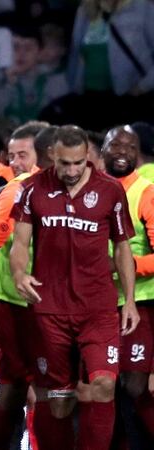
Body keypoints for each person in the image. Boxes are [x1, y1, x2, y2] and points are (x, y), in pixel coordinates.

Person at [10, 125, 139, 450]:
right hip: (49, 308)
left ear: (88, 157)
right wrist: (19, 274)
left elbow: (123, 248)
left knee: (104, 386)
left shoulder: (110, 191)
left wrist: (131, 300)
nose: (71, 170)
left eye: (78, 163)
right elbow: (20, 242)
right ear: (53, 155)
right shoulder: (32, 190)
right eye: (65, 163)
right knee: (57, 401)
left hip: (98, 308)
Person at [0, 121, 48, 449]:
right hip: (14, 305)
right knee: (26, 388)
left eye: (24, 155)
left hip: (46, 304)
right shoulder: (17, 189)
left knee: (29, 389)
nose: (15, 162)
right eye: (11, 156)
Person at [100, 125, 154, 438]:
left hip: (141, 304)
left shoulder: (145, 192)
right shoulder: (87, 188)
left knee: (134, 386)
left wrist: (121, 266)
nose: (123, 153)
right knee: (101, 385)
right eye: (116, 145)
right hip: (95, 304)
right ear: (102, 149)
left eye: (130, 147)